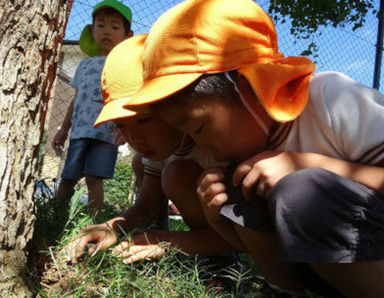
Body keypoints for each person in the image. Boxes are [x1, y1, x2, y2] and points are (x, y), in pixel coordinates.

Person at [121, 0, 384, 297]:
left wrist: (308, 163)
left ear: (249, 87)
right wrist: (216, 219)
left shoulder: (332, 100)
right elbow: (245, 245)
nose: (200, 146)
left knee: (300, 190)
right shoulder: (240, 150)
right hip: (322, 269)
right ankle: (283, 291)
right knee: (242, 184)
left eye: (199, 128)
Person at [65, 35, 235, 266]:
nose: (135, 138)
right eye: (122, 125)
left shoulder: (214, 146)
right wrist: (111, 228)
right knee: (146, 164)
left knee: (175, 175)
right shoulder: (161, 150)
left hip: (237, 236)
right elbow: (144, 207)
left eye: (144, 121)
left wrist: (163, 240)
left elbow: (240, 238)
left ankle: (220, 262)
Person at [51, 0, 133, 222]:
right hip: (79, 133)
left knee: (94, 178)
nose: (106, 31)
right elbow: (75, 100)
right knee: (67, 177)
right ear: (92, 30)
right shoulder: (84, 65)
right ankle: (54, 219)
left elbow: (129, 98)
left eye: (115, 27)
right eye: (100, 25)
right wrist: (63, 129)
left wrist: (126, 129)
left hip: (106, 134)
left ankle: (94, 223)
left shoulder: (125, 64)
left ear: (127, 35)